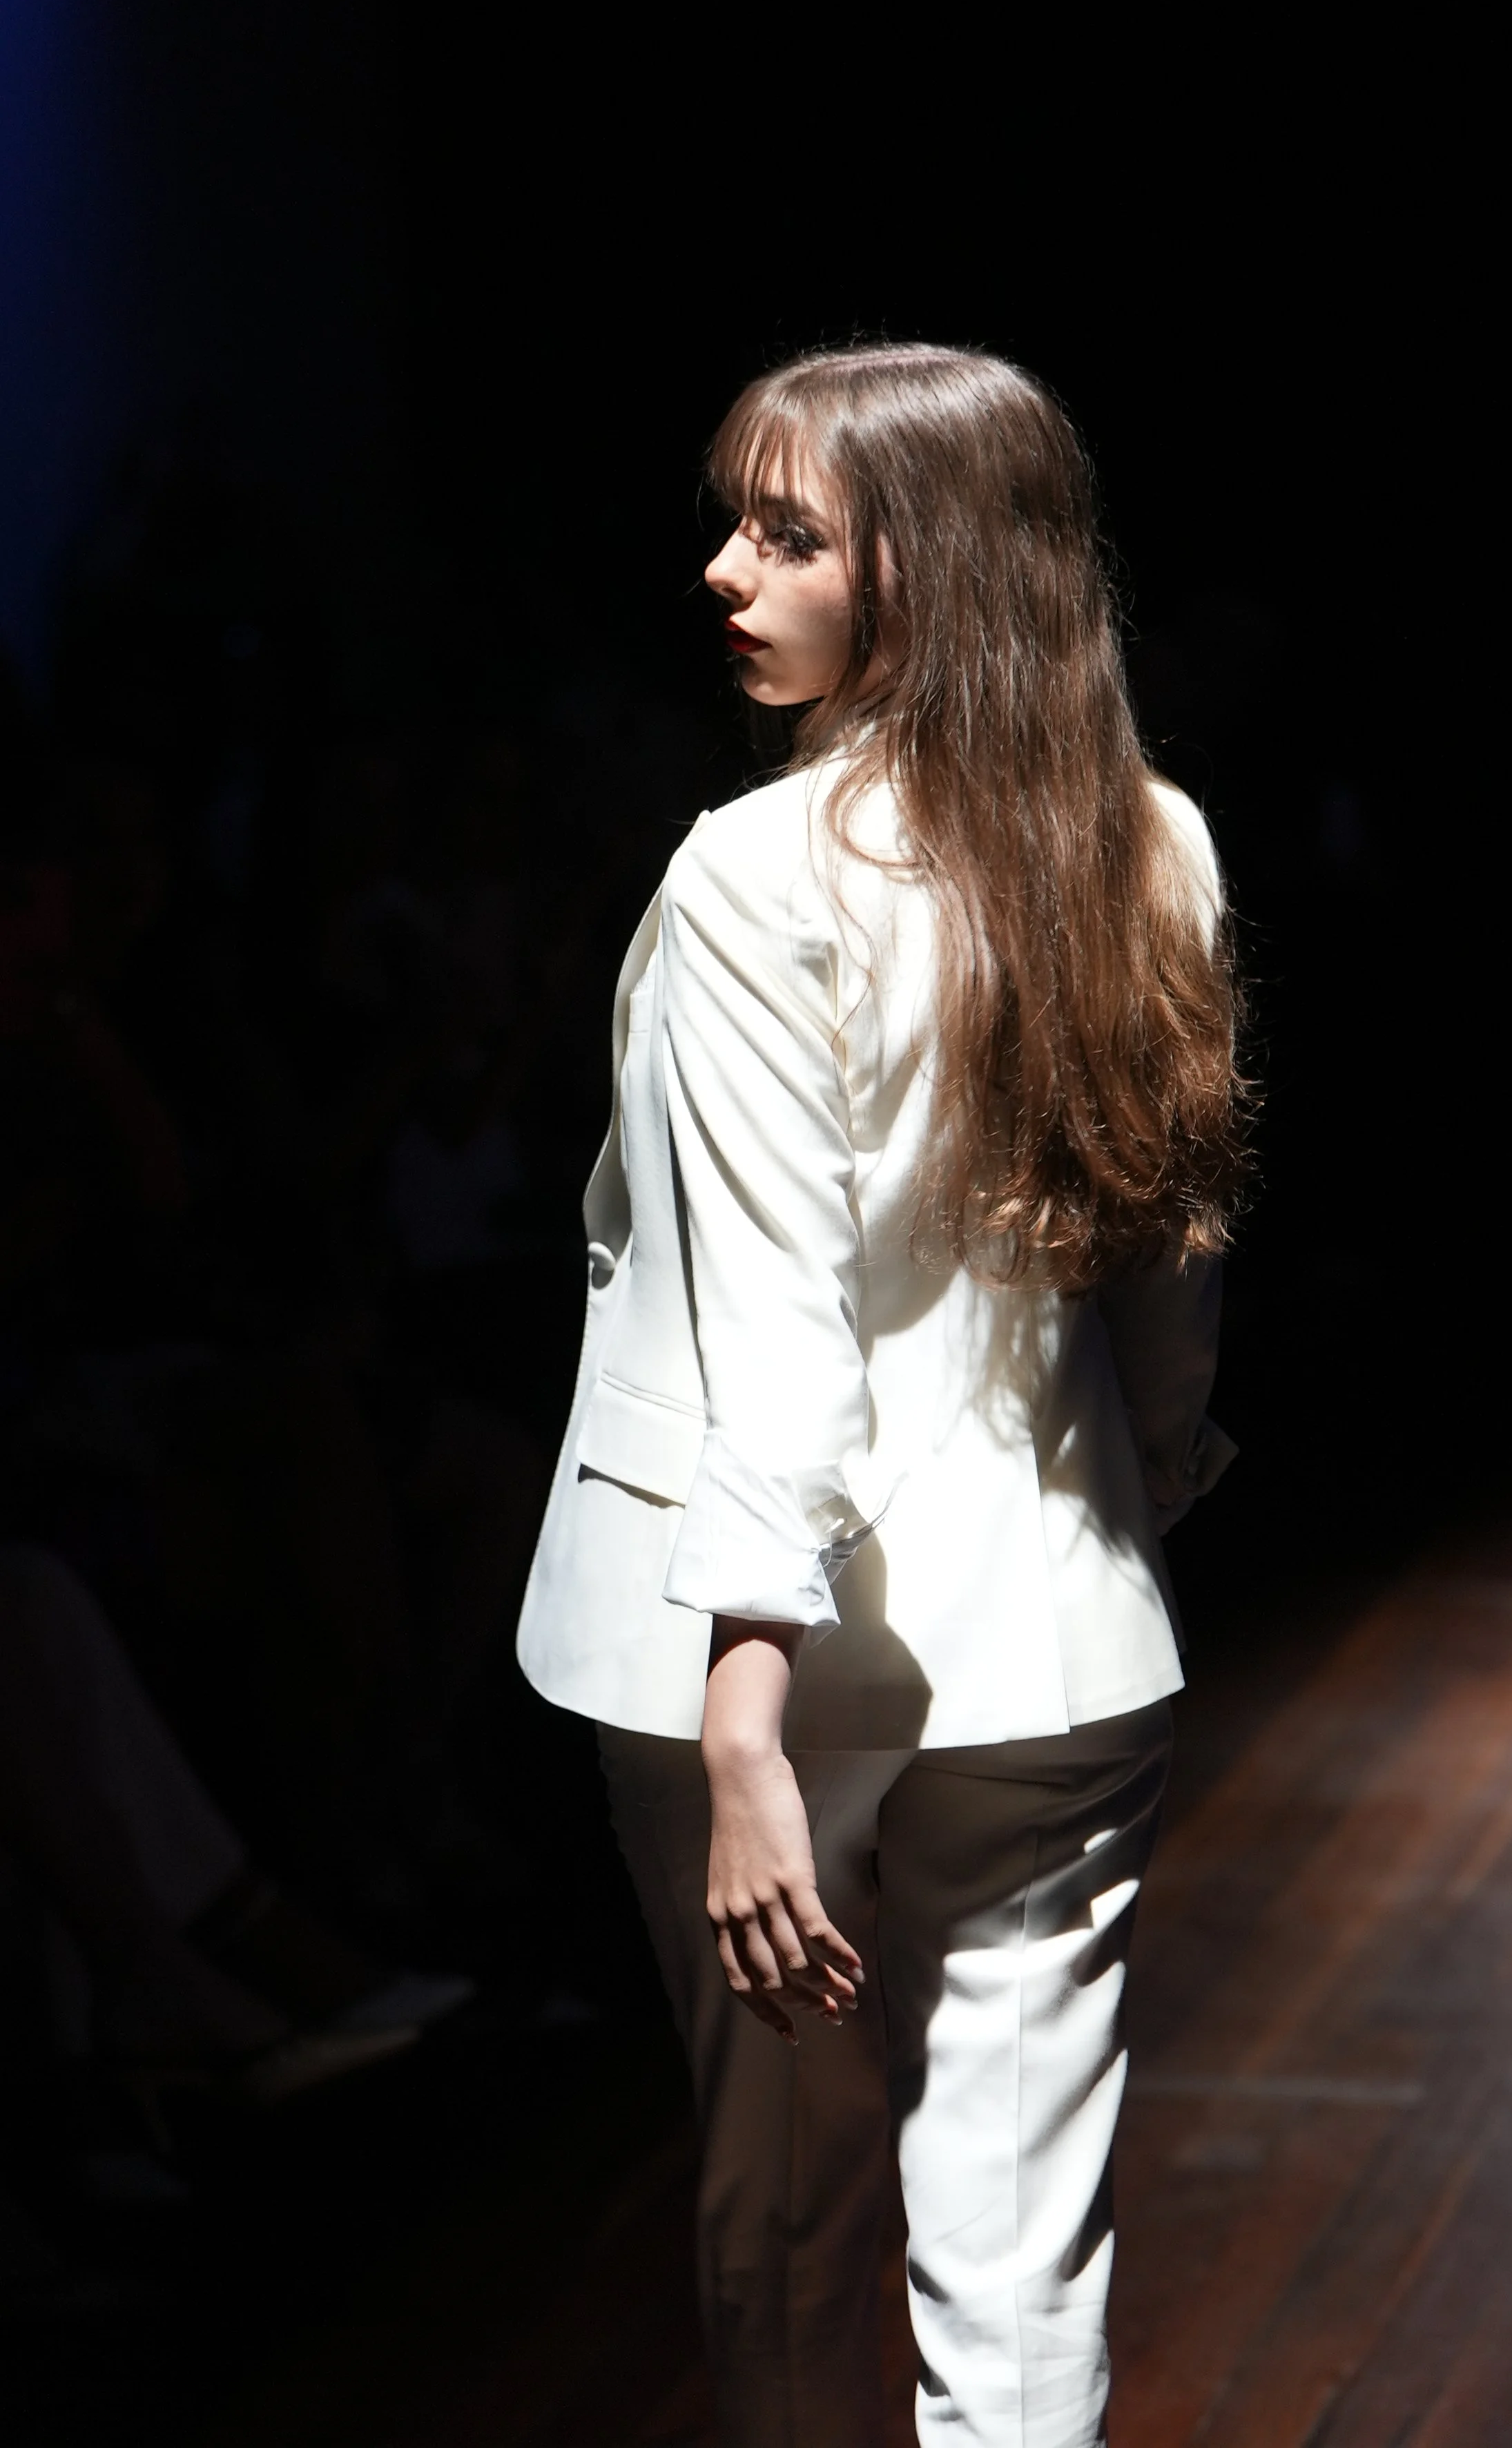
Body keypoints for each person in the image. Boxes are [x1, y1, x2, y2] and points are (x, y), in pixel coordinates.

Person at [518, 343, 1248, 2447]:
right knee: (1019, 2269)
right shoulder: (1150, 842)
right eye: (734, 526)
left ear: (921, 573)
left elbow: (779, 1318)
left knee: (785, 2222)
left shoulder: (755, 873)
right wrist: (1136, 1479)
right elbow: (1171, 1255)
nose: (725, 573)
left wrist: (746, 1714)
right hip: (1059, 1627)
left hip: (753, 1666)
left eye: (788, 535)